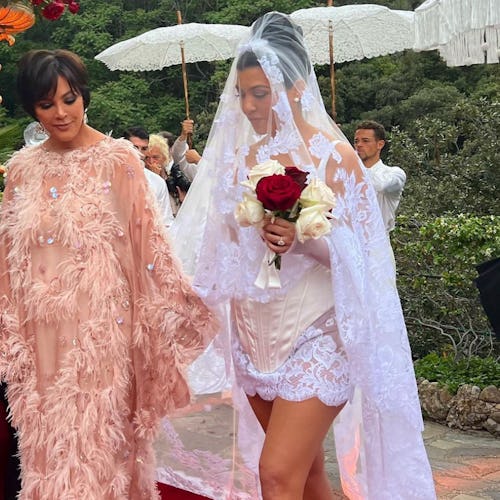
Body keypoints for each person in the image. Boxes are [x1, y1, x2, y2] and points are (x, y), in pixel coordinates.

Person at [164, 11, 436, 500]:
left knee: (276, 475)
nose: (247, 105)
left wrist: (305, 237)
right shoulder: (241, 159)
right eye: (241, 93)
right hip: (253, 335)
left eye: (259, 93)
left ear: (293, 87)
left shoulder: (335, 156)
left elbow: (370, 258)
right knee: (306, 476)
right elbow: (219, 249)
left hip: (316, 333)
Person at [0, 49, 216, 499]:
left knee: (97, 454)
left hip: (100, 336)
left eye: (69, 99)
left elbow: (147, 249)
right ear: (31, 110)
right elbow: (9, 258)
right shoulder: (21, 169)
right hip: (40, 340)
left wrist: (181, 306)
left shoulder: (118, 160)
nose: (60, 113)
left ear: (84, 96)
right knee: (47, 453)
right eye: (46, 104)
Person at [354, 120, 406, 233]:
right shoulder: (348, 173)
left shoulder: (395, 173)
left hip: (378, 245)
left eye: (365, 141)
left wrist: (350, 161)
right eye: (356, 141)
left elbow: (381, 186)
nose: (359, 145)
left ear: (380, 144)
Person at [123, 126, 174, 227]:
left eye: (144, 148)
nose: (139, 153)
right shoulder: (110, 175)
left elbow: (166, 222)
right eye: (135, 147)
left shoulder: (157, 182)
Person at [146, 134, 191, 217]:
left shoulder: (174, 176)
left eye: (155, 157)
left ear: (164, 157)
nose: (151, 162)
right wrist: (155, 179)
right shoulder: (141, 178)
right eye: (147, 158)